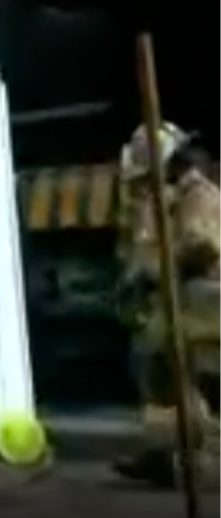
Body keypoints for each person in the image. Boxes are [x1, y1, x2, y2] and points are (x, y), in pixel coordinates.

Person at [113, 125, 221, 488]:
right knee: (161, 375)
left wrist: (158, 269)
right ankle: (166, 456)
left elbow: (202, 245)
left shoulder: (197, 194)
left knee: (190, 381)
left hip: (205, 303)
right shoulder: (174, 196)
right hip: (186, 303)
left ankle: (191, 462)